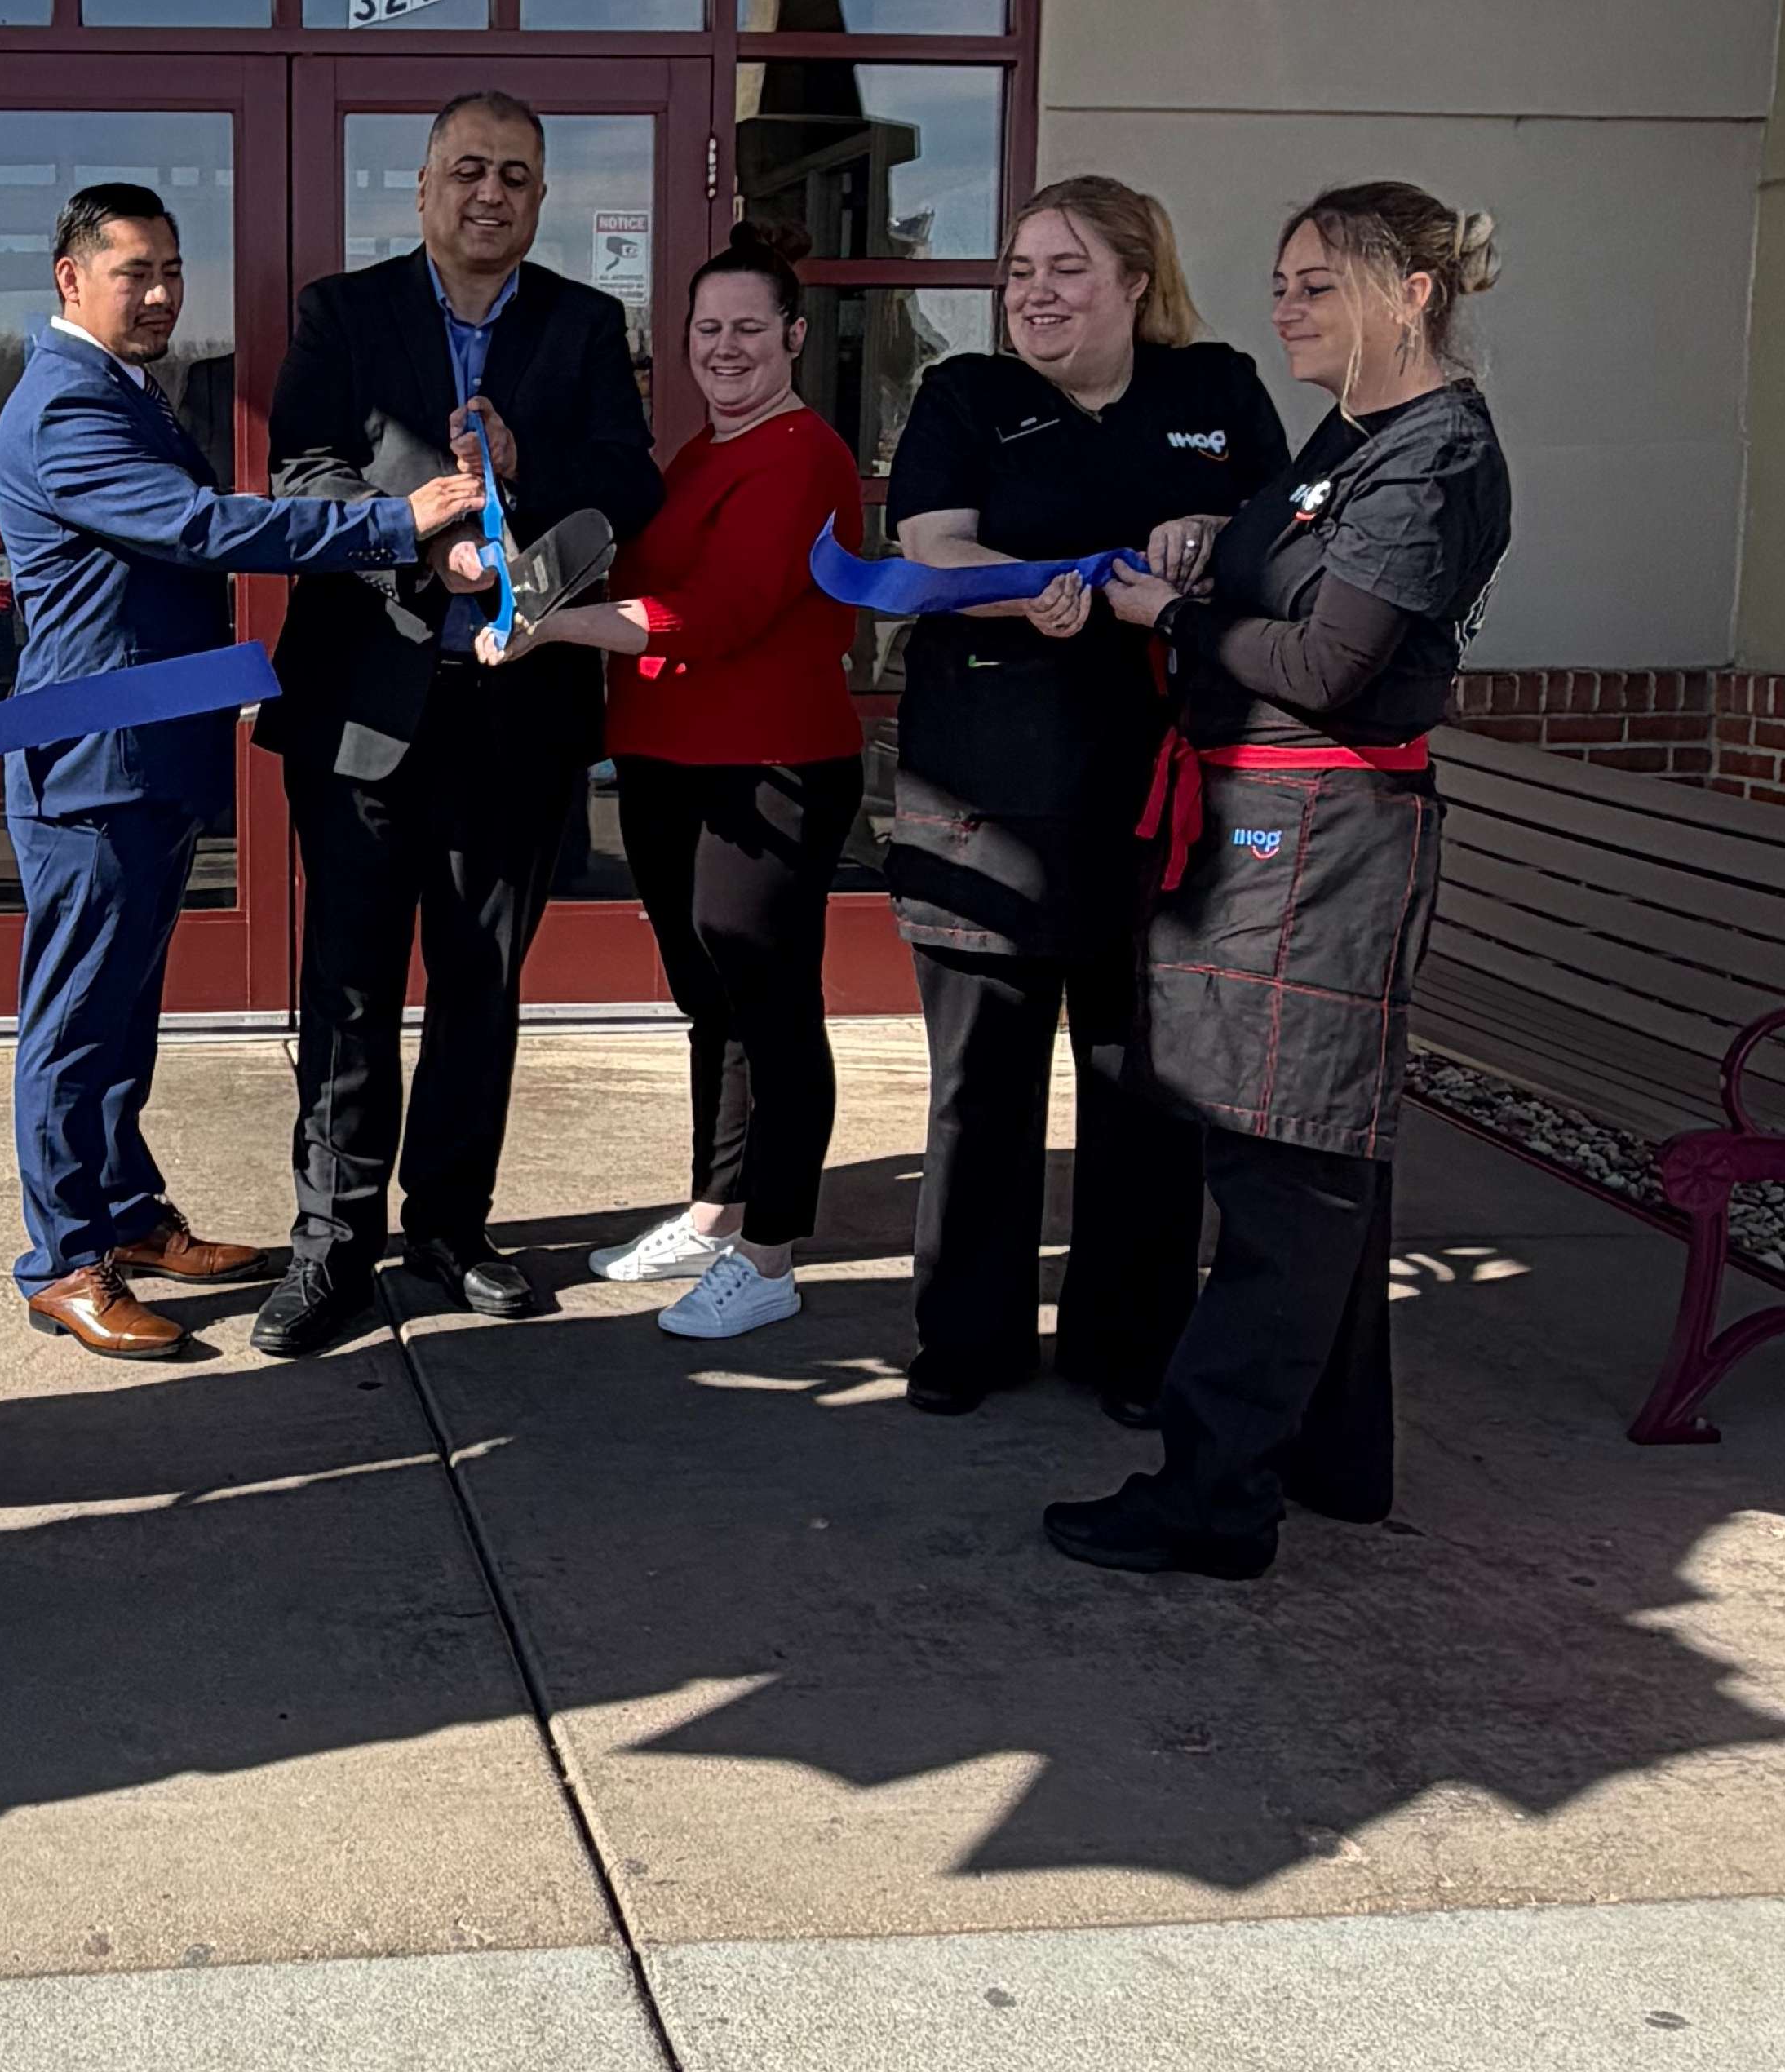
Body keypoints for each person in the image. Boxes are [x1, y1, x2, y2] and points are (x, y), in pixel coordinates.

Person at [1048, 184, 1513, 1581]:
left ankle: (1216, 1493)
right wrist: (1210, 533)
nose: (1287, 305)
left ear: (1409, 295)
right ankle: (1332, 1454)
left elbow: (1325, 666)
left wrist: (1175, 611)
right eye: (1281, 279)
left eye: (1318, 283)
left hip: (1323, 842)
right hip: (1261, 826)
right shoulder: (1352, 439)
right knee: (1298, 1153)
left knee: (1286, 1167)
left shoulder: (1433, 458)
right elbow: (1287, 569)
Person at [0, 184, 481, 1358]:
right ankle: (63, 1256)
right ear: (70, 279)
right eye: (133, 274)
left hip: (148, 756)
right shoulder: (64, 406)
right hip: (96, 762)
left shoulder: (117, 388)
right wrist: (387, 523)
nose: (160, 295)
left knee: (124, 1014)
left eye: (170, 271)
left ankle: (127, 1216)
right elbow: (202, 527)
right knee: (75, 1020)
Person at [255, 91, 663, 1356]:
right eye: (470, 170)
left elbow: (631, 480)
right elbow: (301, 475)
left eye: (519, 178)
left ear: (540, 200)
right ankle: (331, 1239)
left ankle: (449, 1224)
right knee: (351, 982)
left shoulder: (586, 325)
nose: (493, 194)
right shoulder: (345, 312)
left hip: (517, 707)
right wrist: (427, 536)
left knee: (482, 983)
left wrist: (527, 474)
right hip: (369, 698)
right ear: (425, 186)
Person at [881, 178, 1291, 1423]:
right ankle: (967, 1340)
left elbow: (1281, 538)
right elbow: (927, 552)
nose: (1037, 294)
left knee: (1143, 1088)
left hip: (1160, 792)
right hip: (988, 787)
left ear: (1133, 279)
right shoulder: (967, 397)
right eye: (1020, 272)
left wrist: (1211, 529)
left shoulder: (1213, 390)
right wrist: (1043, 584)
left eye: (1066, 269)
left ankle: (1130, 1348)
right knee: (984, 1086)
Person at [504, 226, 864, 1345]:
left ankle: (772, 1253)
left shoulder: (803, 456)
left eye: (750, 327)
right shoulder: (699, 454)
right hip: (666, 763)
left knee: (771, 1005)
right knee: (712, 1003)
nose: (726, 347)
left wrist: (543, 628)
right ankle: (717, 1208)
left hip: (766, 770)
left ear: (794, 337)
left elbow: (716, 615)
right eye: (707, 329)